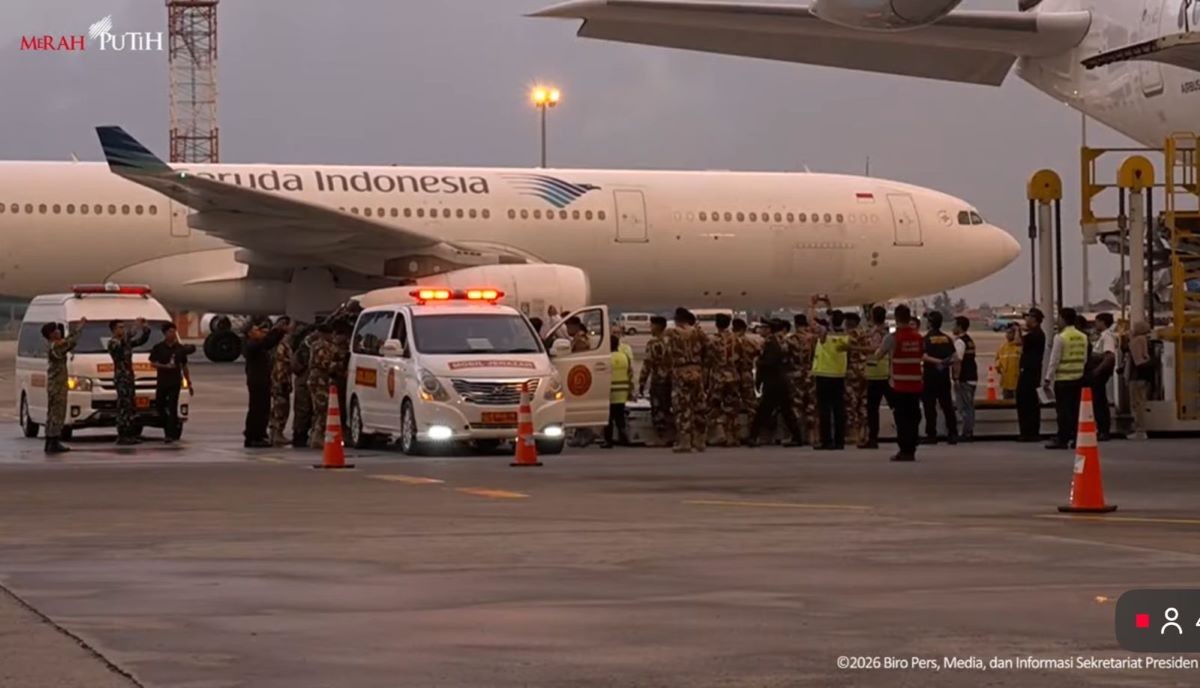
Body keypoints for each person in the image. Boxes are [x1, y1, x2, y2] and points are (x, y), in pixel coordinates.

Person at [874, 305, 923, 461]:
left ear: (896, 318)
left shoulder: (892, 338)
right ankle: (912, 447)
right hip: (916, 384)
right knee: (914, 417)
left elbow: (878, 356)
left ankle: (905, 450)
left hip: (899, 385)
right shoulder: (918, 337)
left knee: (902, 419)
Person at [747, 319, 804, 446]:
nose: (761, 330)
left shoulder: (771, 342)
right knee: (786, 410)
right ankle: (797, 437)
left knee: (763, 410)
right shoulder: (783, 341)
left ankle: (753, 436)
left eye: (764, 327)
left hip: (772, 381)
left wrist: (759, 363)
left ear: (769, 329)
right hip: (781, 380)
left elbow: (769, 362)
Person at [1043, 307, 1088, 450]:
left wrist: (1048, 378)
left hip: (1063, 379)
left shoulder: (1060, 337)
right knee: (1076, 410)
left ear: (1062, 319)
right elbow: (1084, 359)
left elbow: (1054, 360)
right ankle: (1076, 438)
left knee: (1063, 411)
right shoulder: (1083, 336)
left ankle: (1063, 438)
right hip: (1078, 378)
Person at [667, 307, 709, 453]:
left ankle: (685, 441)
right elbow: (709, 348)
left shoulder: (672, 333)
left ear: (677, 320)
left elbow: (666, 353)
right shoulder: (698, 332)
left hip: (681, 373)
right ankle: (700, 441)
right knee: (699, 406)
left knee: (682, 408)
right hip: (696, 372)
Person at [242, 317, 289, 448]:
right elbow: (267, 342)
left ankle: (258, 434)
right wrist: (276, 331)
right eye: (256, 330)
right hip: (257, 381)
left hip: (261, 380)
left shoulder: (255, 344)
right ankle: (254, 436)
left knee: (262, 409)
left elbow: (268, 342)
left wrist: (278, 332)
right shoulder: (251, 345)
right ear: (250, 333)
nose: (260, 332)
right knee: (258, 409)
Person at [42, 318, 85, 454]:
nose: (58, 331)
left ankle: (50, 441)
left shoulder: (54, 346)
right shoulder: (56, 347)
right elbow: (70, 342)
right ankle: (53, 441)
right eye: (55, 330)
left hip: (55, 385)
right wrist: (79, 329)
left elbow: (67, 342)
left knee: (52, 414)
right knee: (57, 414)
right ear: (51, 334)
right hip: (57, 386)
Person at [108, 318, 151, 445]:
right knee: (123, 406)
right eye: (120, 328)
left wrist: (145, 329)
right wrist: (133, 328)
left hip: (129, 377)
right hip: (121, 377)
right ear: (114, 330)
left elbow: (141, 341)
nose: (123, 330)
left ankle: (130, 433)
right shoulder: (113, 343)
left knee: (130, 406)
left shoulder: (126, 342)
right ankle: (122, 434)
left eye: (123, 327)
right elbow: (121, 345)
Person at [149, 323, 194, 443]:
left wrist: (189, 383)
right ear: (165, 333)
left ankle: (170, 434)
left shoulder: (180, 349)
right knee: (160, 406)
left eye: (174, 331)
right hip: (162, 381)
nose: (172, 334)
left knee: (172, 407)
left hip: (175, 382)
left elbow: (184, 366)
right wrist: (164, 366)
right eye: (170, 331)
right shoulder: (158, 347)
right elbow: (153, 363)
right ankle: (168, 425)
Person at [812, 310, 849, 450]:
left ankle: (826, 441)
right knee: (839, 409)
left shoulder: (825, 334)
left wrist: (812, 306)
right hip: (839, 375)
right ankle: (840, 441)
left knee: (825, 409)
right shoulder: (845, 334)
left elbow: (811, 321)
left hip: (824, 374)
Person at [921, 311, 957, 445]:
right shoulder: (947, 338)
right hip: (943, 376)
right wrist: (943, 364)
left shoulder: (926, 339)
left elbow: (923, 356)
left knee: (929, 407)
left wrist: (937, 362)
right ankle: (952, 433)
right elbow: (954, 357)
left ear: (929, 323)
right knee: (947, 405)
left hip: (930, 376)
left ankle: (931, 435)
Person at [707, 313, 742, 446]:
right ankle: (733, 437)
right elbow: (741, 357)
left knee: (714, 406)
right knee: (732, 407)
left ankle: (719, 434)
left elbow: (708, 359)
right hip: (733, 375)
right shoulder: (737, 339)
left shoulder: (713, 340)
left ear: (717, 324)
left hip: (719, 376)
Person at [638, 315, 674, 447]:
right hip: (672, 380)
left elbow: (647, 364)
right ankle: (671, 436)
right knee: (669, 408)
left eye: (652, 325)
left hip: (659, 380)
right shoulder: (671, 341)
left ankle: (661, 437)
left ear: (657, 327)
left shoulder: (653, 343)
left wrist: (642, 382)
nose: (650, 328)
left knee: (658, 409)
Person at [862, 306, 892, 449]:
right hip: (884, 372)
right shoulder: (886, 331)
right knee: (893, 406)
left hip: (876, 373)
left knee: (872, 409)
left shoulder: (878, 332)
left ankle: (873, 438)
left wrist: (855, 348)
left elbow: (875, 349)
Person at [1016, 308, 1046, 441]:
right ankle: (1031, 432)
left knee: (1025, 402)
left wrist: (1018, 330)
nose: (1026, 320)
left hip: (1029, 372)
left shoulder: (1034, 335)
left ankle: (1028, 432)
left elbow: (1018, 342)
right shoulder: (1038, 333)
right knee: (1031, 403)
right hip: (1033, 372)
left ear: (1034, 319)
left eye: (1028, 317)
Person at [787, 313, 816, 445]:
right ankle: (812, 435)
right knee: (811, 403)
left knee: (797, 404)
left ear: (795, 324)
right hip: (811, 373)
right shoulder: (813, 339)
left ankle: (798, 435)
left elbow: (785, 356)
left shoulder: (791, 339)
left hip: (796, 374)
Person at [269, 318, 297, 447]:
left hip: (278, 379)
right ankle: (277, 434)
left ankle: (274, 433)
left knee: (277, 406)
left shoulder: (275, 343)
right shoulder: (283, 345)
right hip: (281, 380)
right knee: (281, 407)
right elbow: (286, 363)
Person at [307, 324, 336, 449]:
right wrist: (336, 366)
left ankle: (313, 435)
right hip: (321, 380)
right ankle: (317, 437)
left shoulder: (314, 344)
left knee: (317, 408)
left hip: (315, 378)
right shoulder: (324, 346)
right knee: (322, 409)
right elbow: (324, 363)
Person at [843, 311, 870, 448]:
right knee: (863, 403)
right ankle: (864, 433)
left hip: (852, 372)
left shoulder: (848, 336)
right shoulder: (865, 334)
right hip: (864, 371)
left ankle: (854, 434)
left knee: (851, 403)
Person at [1090, 312, 1118, 441]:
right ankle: (1101, 429)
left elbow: (1109, 356)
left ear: (1102, 322)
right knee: (1098, 401)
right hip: (1099, 372)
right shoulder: (1102, 336)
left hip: (1100, 374)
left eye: (1097, 322)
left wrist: (1098, 370)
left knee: (1099, 401)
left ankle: (1103, 430)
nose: (1095, 324)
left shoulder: (1107, 337)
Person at [603, 335, 633, 448]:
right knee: (620, 416)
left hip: (611, 391)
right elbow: (630, 373)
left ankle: (608, 440)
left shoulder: (606, 359)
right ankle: (624, 438)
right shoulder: (625, 357)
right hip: (622, 391)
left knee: (608, 418)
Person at [291, 323, 318, 448]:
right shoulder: (306, 347)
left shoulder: (306, 345)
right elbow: (298, 366)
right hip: (304, 381)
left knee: (306, 410)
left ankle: (302, 435)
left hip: (305, 381)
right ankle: (299, 436)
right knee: (303, 409)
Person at [952, 316, 978, 441]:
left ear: (959, 327)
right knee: (969, 406)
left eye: (955, 325)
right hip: (972, 376)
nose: (953, 328)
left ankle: (967, 433)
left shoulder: (960, 342)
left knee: (964, 407)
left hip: (964, 378)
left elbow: (958, 361)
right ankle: (969, 431)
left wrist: (956, 378)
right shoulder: (969, 341)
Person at [1127, 320, 1153, 440]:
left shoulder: (1137, 341)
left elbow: (1138, 361)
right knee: (1141, 402)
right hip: (1145, 377)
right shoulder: (1147, 340)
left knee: (1137, 404)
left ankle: (1140, 430)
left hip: (1136, 377)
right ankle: (1141, 429)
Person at [732, 318, 761, 427]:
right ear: (744, 329)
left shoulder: (729, 341)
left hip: (732, 374)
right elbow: (759, 352)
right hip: (746, 373)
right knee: (750, 402)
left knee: (732, 403)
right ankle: (753, 429)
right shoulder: (750, 342)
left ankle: (733, 430)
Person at [994, 324, 1022, 400]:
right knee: (1006, 402)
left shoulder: (1019, 347)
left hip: (1017, 382)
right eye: (1007, 333)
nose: (1007, 335)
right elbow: (997, 359)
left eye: (1010, 333)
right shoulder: (1003, 347)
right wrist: (998, 367)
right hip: (1006, 382)